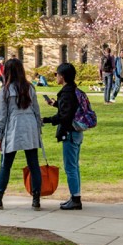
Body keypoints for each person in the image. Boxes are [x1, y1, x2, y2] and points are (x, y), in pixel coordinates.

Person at [0, 58, 43, 211]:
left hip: (14, 126)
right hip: (29, 126)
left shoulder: (6, 90)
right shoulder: (30, 88)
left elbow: (2, 116)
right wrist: (38, 131)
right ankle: (36, 198)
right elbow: (36, 111)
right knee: (33, 164)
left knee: (5, 165)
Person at [42, 62, 83, 210]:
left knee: (70, 167)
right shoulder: (73, 90)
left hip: (69, 133)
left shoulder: (66, 93)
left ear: (63, 76)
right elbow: (69, 109)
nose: (56, 77)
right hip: (77, 133)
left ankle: (76, 199)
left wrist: (46, 120)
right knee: (74, 166)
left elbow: (64, 116)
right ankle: (75, 196)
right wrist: (55, 104)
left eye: (57, 74)